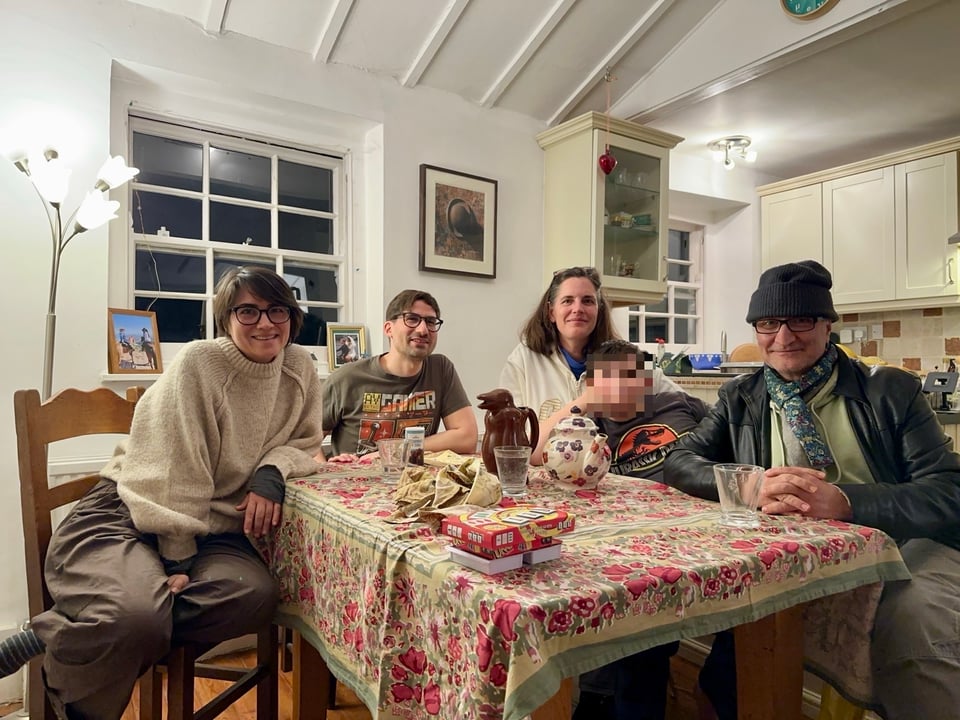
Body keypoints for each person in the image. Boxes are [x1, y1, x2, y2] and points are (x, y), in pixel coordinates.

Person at [0, 266, 325, 719]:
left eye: (277, 310)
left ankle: (64, 627)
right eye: (248, 311)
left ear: (292, 316)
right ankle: (99, 652)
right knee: (137, 619)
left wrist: (273, 469)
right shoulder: (199, 363)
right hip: (129, 509)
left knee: (255, 595)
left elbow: (308, 442)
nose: (265, 323)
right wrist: (178, 561)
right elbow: (175, 470)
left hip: (208, 527)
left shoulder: (300, 367)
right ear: (225, 318)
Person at [663, 260, 960, 720]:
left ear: (827, 325)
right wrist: (751, 484)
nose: (784, 336)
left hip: (905, 542)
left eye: (800, 320)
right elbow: (679, 461)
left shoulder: (891, 390)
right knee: (731, 668)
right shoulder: (742, 396)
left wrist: (847, 502)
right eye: (768, 322)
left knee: (914, 626)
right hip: (794, 555)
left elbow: (947, 491)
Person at [531, 339, 709, 720]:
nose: (620, 387)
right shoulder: (591, 432)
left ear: (645, 381)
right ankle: (601, 697)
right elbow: (533, 453)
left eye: (629, 376)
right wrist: (585, 400)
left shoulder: (677, 404)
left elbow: (725, 441)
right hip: (631, 543)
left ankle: (607, 699)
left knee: (641, 631)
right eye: (607, 379)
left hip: (691, 533)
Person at [500, 266, 684, 422]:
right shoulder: (522, 361)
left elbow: (686, 405)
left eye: (587, 301)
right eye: (567, 301)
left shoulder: (623, 359)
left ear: (599, 310)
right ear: (551, 312)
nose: (577, 309)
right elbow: (510, 439)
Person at [321, 289, 477, 458]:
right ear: (389, 329)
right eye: (412, 319)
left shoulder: (440, 369)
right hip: (354, 473)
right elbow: (305, 442)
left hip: (415, 474)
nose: (423, 329)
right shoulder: (346, 378)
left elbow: (467, 438)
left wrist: (396, 450)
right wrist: (325, 468)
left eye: (430, 322)